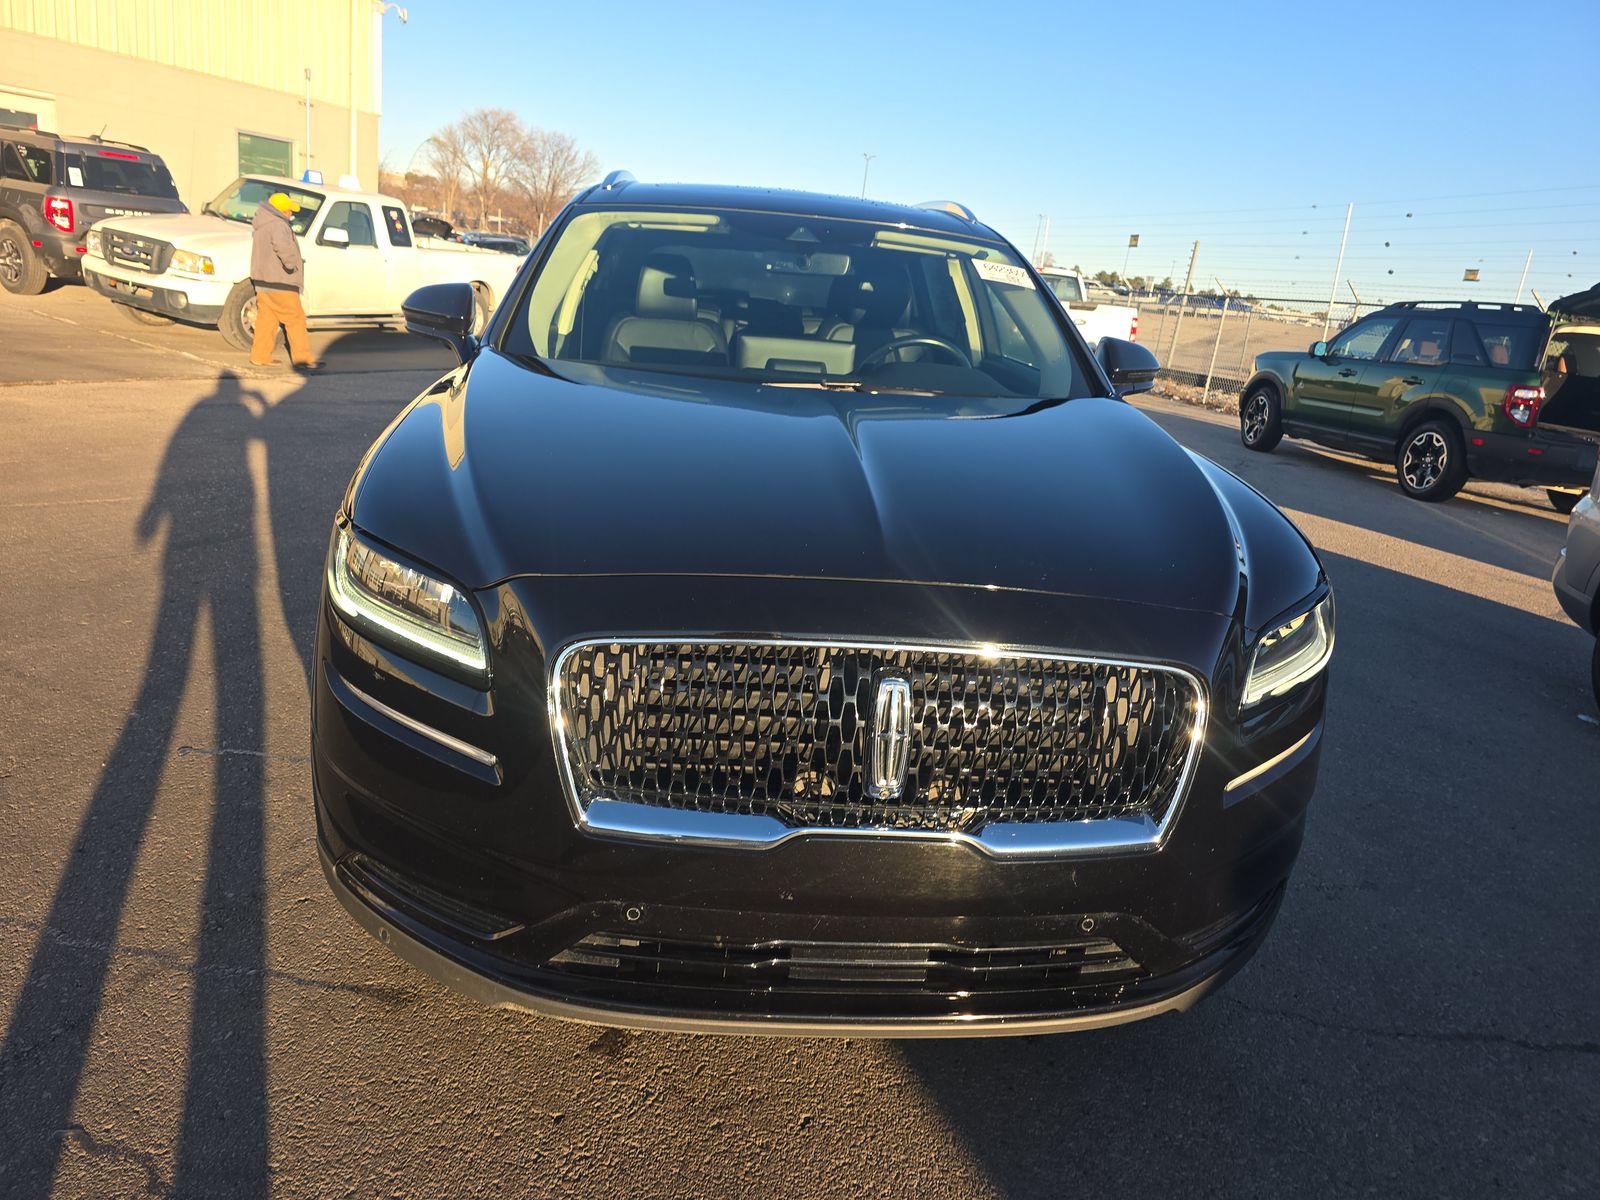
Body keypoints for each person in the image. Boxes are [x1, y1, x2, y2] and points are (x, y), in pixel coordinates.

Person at [249, 193, 319, 370]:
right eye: (289, 210)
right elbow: (282, 248)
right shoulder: (279, 225)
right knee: (296, 319)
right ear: (281, 210)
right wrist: (293, 265)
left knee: (267, 320)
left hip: (263, 281)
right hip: (281, 281)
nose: (291, 214)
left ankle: (260, 356)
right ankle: (302, 359)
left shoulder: (261, 225)